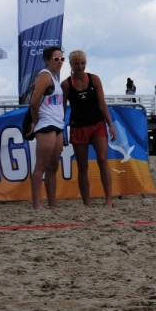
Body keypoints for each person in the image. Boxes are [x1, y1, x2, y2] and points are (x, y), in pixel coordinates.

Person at [62, 50, 117, 207]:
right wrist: (59, 127)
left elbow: (102, 103)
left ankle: (109, 199)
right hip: (78, 127)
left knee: (102, 159)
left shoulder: (94, 79)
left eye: (82, 63)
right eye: (76, 63)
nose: (80, 66)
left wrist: (110, 125)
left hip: (97, 124)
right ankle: (87, 202)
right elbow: (61, 108)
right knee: (82, 165)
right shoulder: (66, 84)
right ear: (71, 65)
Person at [26, 46, 66, 210]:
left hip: (57, 124)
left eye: (62, 59)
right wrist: (35, 121)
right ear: (47, 60)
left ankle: (52, 201)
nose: (59, 62)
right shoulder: (44, 76)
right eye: (56, 59)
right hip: (46, 123)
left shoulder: (55, 78)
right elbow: (34, 102)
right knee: (41, 166)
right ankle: (37, 203)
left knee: (53, 166)